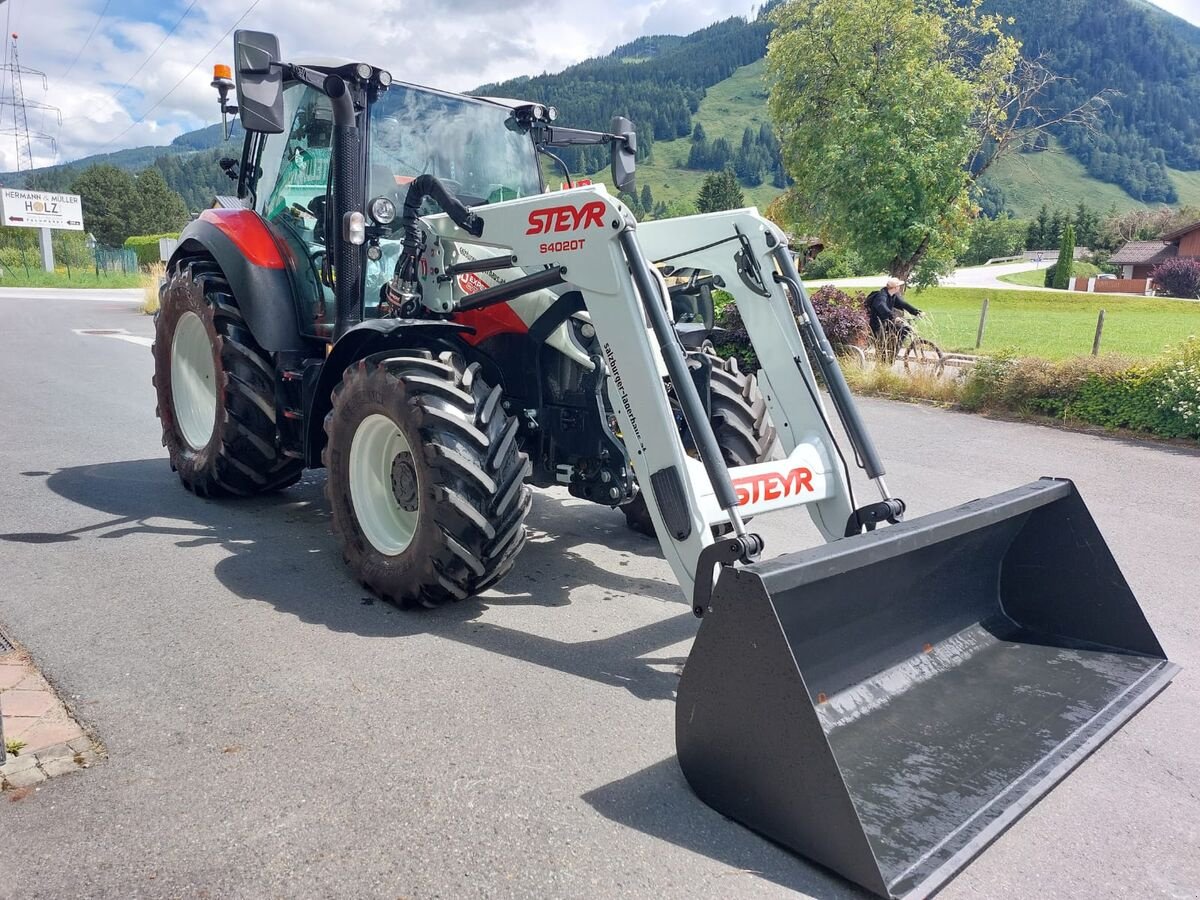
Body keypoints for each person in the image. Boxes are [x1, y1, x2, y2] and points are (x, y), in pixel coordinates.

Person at [865, 277, 922, 357]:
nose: (900, 287)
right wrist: (894, 317)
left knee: (904, 329)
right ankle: (885, 355)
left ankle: (893, 351)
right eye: (899, 286)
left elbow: (903, 304)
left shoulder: (892, 296)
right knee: (882, 343)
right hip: (877, 324)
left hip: (887, 322)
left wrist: (917, 312)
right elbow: (882, 307)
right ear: (895, 287)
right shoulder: (881, 296)